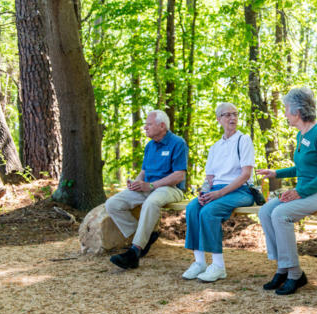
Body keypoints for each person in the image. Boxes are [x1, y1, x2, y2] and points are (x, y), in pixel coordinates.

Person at [257, 87, 317, 295]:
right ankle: (283, 268)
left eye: (286, 110)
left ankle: (295, 274)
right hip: (308, 191)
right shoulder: (300, 134)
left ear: (297, 112)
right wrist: (276, 173)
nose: (285, 114)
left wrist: (300, 192)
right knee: (265, 211)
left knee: (281, 213)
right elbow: (303, 168)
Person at [105, 110, 188, 269]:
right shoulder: (150, 146)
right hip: (148, 187)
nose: (145, 127)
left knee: (151, 202)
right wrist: (136, 183)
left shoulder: (178, 143)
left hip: (170, 188)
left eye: (149, 124)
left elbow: (179, 175)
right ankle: (145, 236)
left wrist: (151, 185)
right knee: (113, 204)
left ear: (162, 126)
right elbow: (144, 172)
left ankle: (135, 251)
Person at [182, 102, 255, 283]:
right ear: (218, 119)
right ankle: (199, 262)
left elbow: (245, 174)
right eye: (227, 114)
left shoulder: (243, 140)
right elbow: (209, 178)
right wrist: (204, 192)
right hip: (217, 191)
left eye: (235, 114)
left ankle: (218, 266)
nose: (232, 118)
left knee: (209, 211)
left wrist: (219, 194)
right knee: (193, 208)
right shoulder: (215, 147)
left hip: (240, 190)